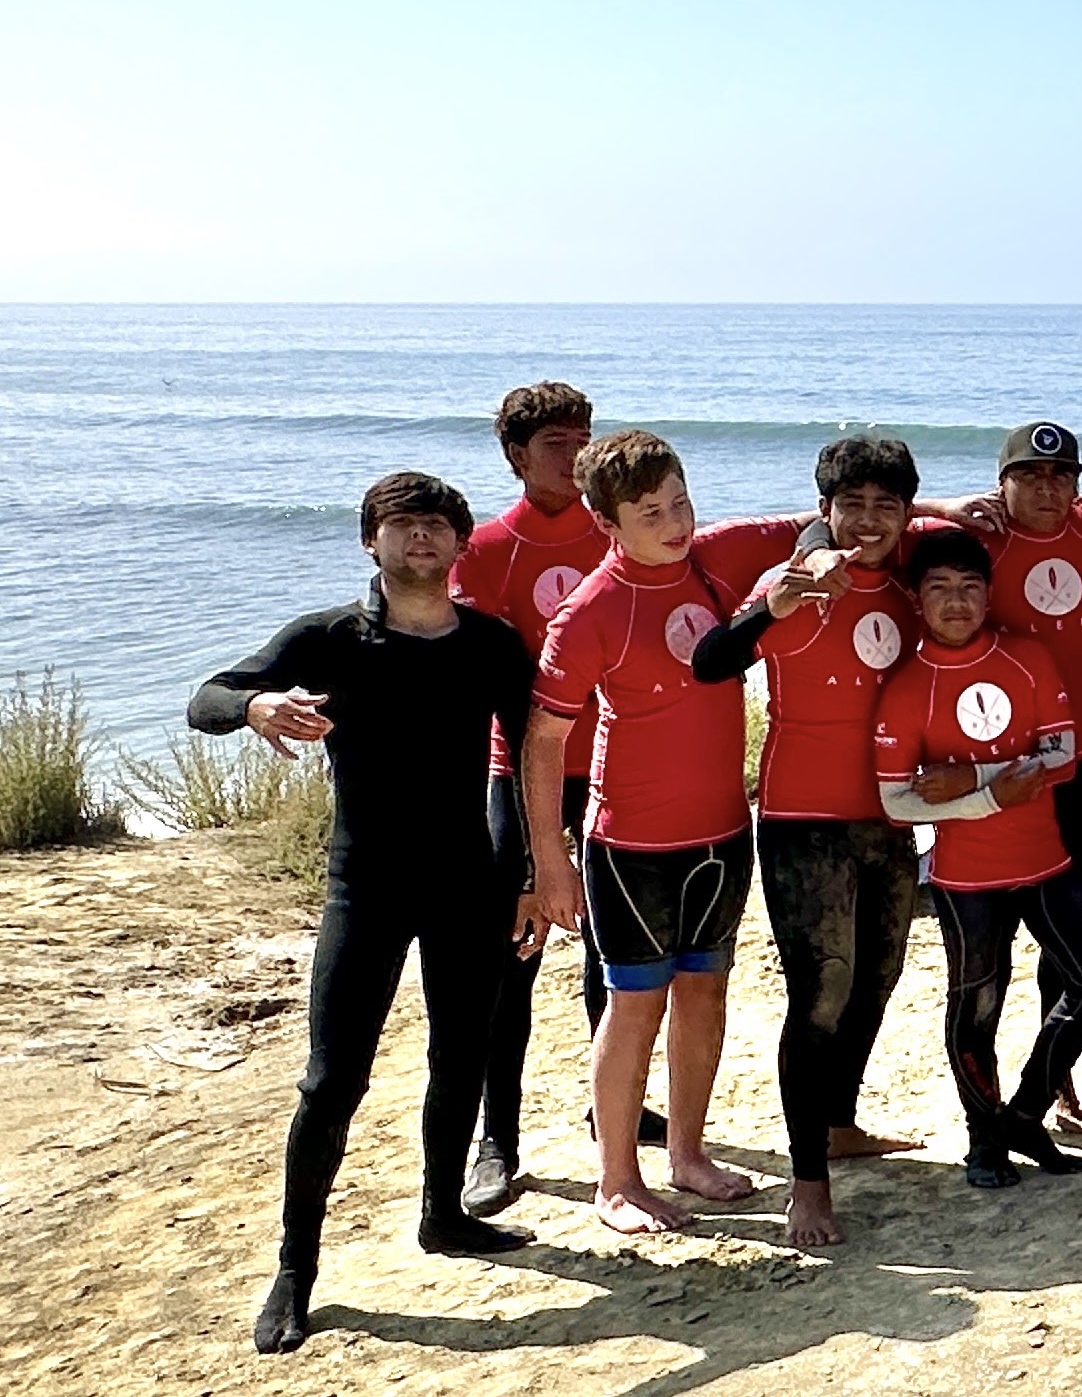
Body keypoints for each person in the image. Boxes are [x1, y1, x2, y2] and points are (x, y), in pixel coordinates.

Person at [187, 472, 546, 1354]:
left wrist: (538, 871)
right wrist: (258, 704)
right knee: (330, 1081)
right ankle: (295, 1268)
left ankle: (444, 1214)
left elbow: (535, 756)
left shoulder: (492, 644)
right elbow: (208, 698)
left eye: (438, 524)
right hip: (366, 886)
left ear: (460, 543)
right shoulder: (330, 638)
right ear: (370, 541)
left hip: (469, 881)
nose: (422, 536)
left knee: (460, 1056)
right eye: (403, 523)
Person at [518, 431, 806, 1234]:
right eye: (651, 513)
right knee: (635, 1005)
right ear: (607, 522)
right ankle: (617, 1180)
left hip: (723, 831)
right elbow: (543, 739)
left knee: (705, 992)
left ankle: (687, 1154)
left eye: (681, 502)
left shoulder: (714, 558)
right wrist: (549, 858)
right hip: (631, 844)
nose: (676, 523)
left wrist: (952, 508)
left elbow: (821, 519)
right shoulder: (590, 611)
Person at [686, 436, 927, 1247]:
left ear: (906, 513)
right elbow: (711, 662)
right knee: (821, 991)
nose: (869, 520)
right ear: (824, 509)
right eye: (851, 505)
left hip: (890, 815)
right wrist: (773, 606)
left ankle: (839, 1122)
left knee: (880, 975)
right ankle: (808, 1181)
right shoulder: (791, 581)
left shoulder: (910, 585)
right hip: (803, 820)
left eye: (886, 505)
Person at [872, 525, 1082, 1187]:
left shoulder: (1027, 657)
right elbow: (896, 802)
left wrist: (974, 777)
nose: (956, 602)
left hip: (1045, 862)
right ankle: (984, 1141)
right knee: (977, 1008)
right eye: (940, 589)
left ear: (988, 595)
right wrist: (989, 796)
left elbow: (1063, 755)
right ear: (917, 600)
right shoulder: (907, 687)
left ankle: (1025, 1115)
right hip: (966, 878)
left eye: (970, 587)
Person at [450, 380, 643, 1211]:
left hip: (618, 766)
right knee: (513, 960)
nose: (575, 454)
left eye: (583, 437)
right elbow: (479, 681)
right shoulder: (488, 549)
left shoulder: (622, 534)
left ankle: (618, 1111)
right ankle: (497, 1138)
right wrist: (537, 843)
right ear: (516, 456)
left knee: (616, 952)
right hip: (523, 774)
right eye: (556, 443)